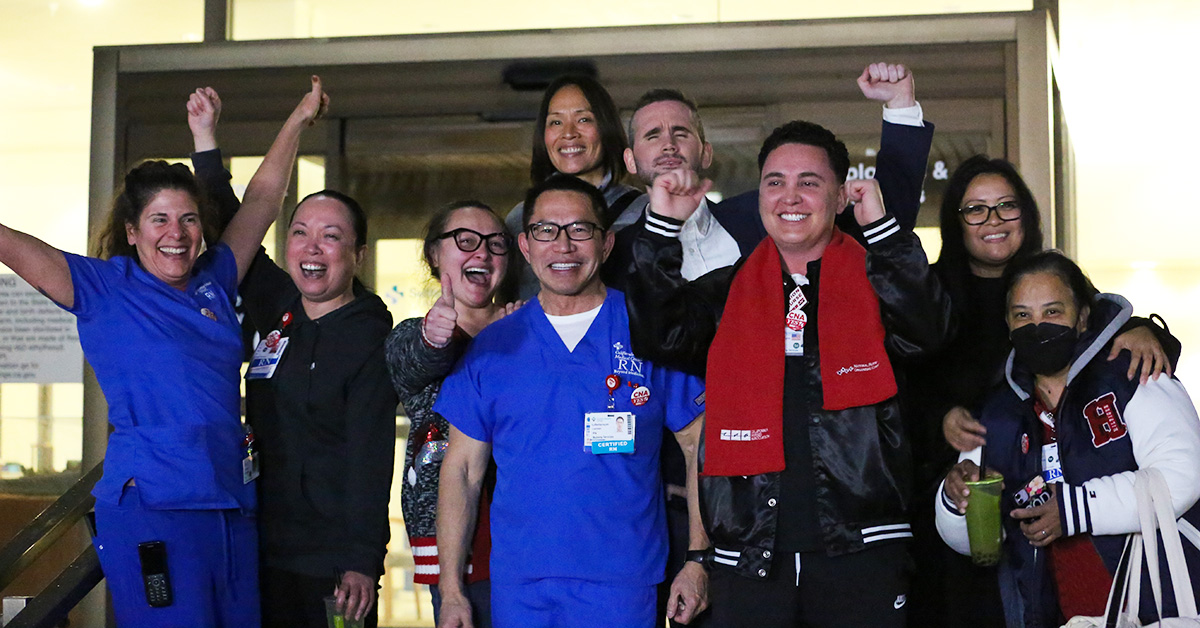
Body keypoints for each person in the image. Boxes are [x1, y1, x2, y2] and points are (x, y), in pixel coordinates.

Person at [604, 64, 933, 627]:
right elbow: (660, 333)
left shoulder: (873, 278)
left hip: (862, 545)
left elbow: (925, 329)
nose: (790, 196)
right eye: (775, 182)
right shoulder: (730, 288)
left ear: (839, 196)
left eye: (810, 181)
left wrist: (884, 228)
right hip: (750, 552)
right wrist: (661, 226)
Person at [0, 78, 325, 627]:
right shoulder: (103, 288)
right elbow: (6, 241)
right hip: (154, 508)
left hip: (229, 504)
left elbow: (264, 200)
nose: (176, 234)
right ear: (131, 231)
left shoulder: (214, 280)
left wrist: (297, 120)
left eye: (188, 219)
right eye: (159, 220)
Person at [902, 155, 1177, 627]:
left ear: (1026, 215)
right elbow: (898, 388)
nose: (993, 220)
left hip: (1070, 511)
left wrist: (1145, 331)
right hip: (962, 504)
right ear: (955, 221)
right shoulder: (931, 294)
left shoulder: (1051, 279)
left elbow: (1102, 326)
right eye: (976, 209)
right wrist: (940, 420)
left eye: (1007, 206)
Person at [437, 175, 708, 628]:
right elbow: (462, 471)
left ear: (606, 244)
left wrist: (698, 558)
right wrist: (450, 590)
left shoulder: (648, 330)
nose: (563, 246)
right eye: (546, 230)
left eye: (580, 230)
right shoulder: (493, 347)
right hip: (520, 587)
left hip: (623, 584)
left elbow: (698, 442)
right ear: (525, 246)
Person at [187, 85, 397, 627]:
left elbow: (370, 458)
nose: (311, 247)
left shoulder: (371, 339)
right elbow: (235, 226)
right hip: (261, 546)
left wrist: (360, 561)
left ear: (357, 255)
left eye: (331, 237)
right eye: (300, 233)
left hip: (332, 565)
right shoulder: (279, 305)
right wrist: (206, 139)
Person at [935, 250, 1200, 626]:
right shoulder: (998, 411)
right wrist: (954, 500)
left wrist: (1076, 510)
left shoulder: (1135, 370)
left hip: (1159, 608)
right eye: (1022, 315)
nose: (1037, 326)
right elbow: (975, 542)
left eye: (1053, 312)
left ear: (1082, 317)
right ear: (1008, 325)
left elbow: (1182, 476)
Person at [385, 200, 520, 628]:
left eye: (495, 244)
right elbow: (415, 357)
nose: (482, 252)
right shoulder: (413, 333)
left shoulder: (526, 329)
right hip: (457, 549)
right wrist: (433, 333)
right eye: (465, 241)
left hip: (528, 534)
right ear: (433, 255)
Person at [503, 74, 642, 299]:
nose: (569, 133)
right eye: (556, 122)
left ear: (606, 126)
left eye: (583, 119)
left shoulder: (643, 212)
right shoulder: (519, 219)